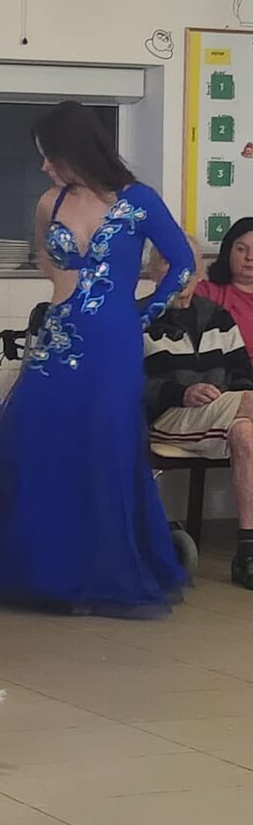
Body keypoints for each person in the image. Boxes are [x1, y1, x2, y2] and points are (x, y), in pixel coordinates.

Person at [0, 99, 195, 616]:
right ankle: (28, 565)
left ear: (78, 151)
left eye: (50, 155)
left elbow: (182, 263)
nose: (44, 166)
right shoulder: (51, 202)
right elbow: (49, 263)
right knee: (19, 438)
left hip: (114, 343)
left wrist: (140, 313)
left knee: (103, 447)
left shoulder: (139, 201)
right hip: (58, 338)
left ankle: (102, 570)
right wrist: (71, 302)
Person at [144, 238, 253, 589]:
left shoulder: (218, 317)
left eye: (189, 263)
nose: (182, 271)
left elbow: (241, 373)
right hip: (166, 418)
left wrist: (228, 396)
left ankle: (247, 552)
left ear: (200, 271)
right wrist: (182, 393)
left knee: (246, 433)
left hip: (220, 414)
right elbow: (126, 385)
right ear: (152, 270)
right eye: (168, 261)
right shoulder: (137, 319)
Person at [197, 217, 253, 355]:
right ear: (228, 252)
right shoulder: (205, 292)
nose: (250, 257)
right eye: (241, 249)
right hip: (225, 367)